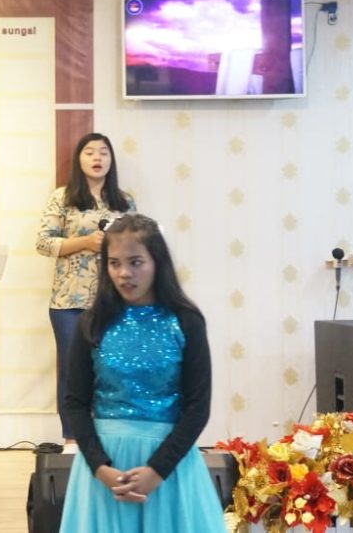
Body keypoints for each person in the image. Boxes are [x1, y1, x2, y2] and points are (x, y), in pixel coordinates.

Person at [60, 213, 224, 532]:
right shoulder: (92, 323)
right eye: (114, 263)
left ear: (157, 262)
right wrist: (100, 468)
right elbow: (75, 403)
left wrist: (156, 471)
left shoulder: (185, 321)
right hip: (104, 469)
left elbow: (197, 407)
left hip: (168, 467)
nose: (124, 273)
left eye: (136, 262)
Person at [36, 132, 133, 450]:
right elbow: (44, 243)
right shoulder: (62, 197)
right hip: (68, 301)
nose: (97, 158)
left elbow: (138, 247)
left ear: (111, 160)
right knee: (72, 369)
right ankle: (72, 438)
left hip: (114, 301)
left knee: (112, 368)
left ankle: (109, 434)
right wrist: (85, 242)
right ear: (79, 159)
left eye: (104, 152)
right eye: (90, 152)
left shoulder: (124, 201)